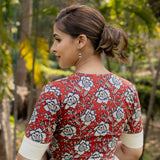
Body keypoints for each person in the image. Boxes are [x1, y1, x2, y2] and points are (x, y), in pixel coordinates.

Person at [17, 4, 143, 160]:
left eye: (58, 39)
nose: (53, 48)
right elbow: (132, 152)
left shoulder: (55, 92)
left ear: (80, 41)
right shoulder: (127, 90)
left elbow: (27, 158)